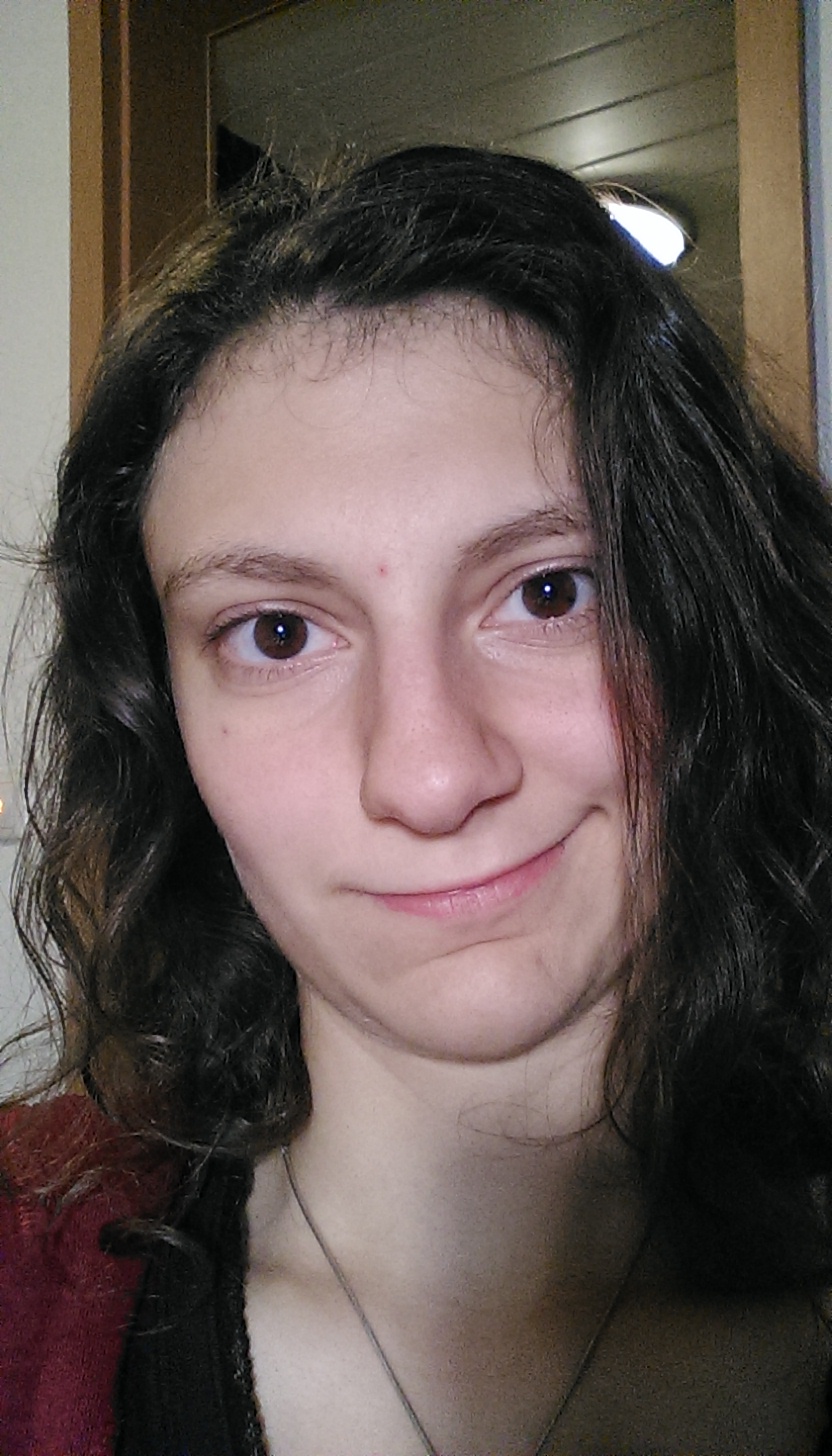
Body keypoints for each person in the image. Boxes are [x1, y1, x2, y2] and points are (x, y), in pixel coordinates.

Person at [2, 144, 832, 1456]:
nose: (432, 776)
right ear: (165, 726)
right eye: (278, 633)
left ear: (711, 634)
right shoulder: (24, 1303)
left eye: (550, 593)